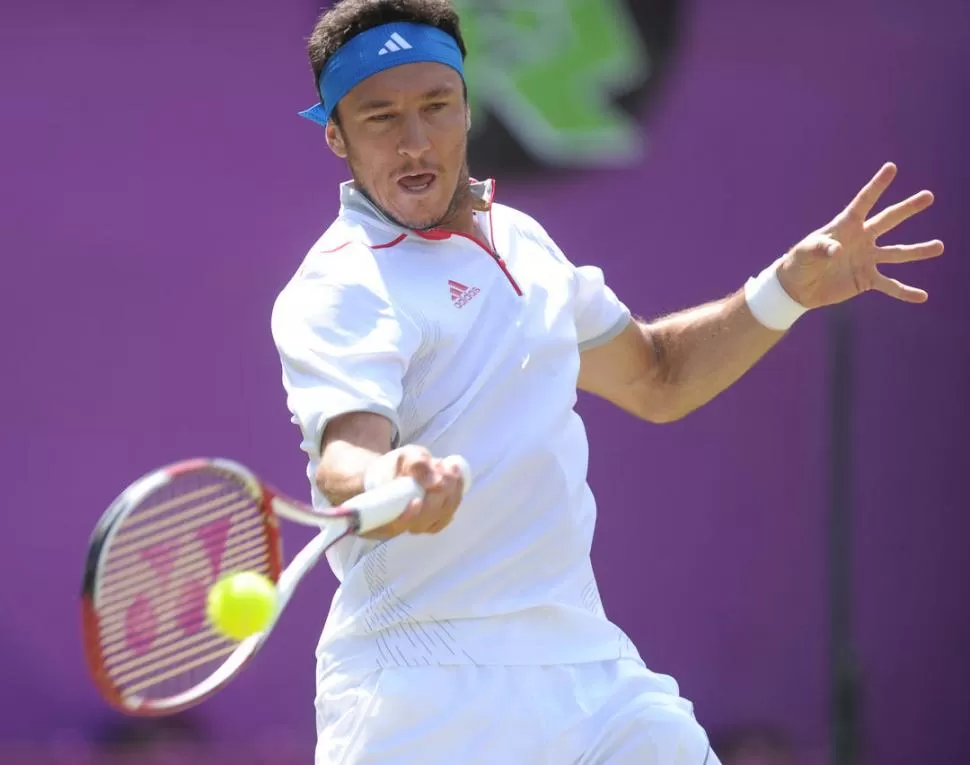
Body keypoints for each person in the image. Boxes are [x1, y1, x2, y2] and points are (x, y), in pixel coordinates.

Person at [270, 1, 944, 762]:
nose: (416, 140)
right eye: (380, 117)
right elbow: (344, 458)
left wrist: (785, 288)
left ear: (468, 105)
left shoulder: (521, 241)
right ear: (336, 135)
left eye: (436, 106)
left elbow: (658, 376)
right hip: (421, 694)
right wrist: (391, 474)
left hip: (589, 672)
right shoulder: (341, 285)